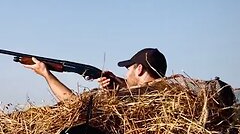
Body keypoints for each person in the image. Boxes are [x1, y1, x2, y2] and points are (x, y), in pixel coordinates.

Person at [24, 48, 167, 101]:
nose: (127, 73)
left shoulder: (130, 99)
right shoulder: (166, 94)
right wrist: (117, 84)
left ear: (140, 69)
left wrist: (45, 73)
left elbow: (72, 103)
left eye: (129, 68)